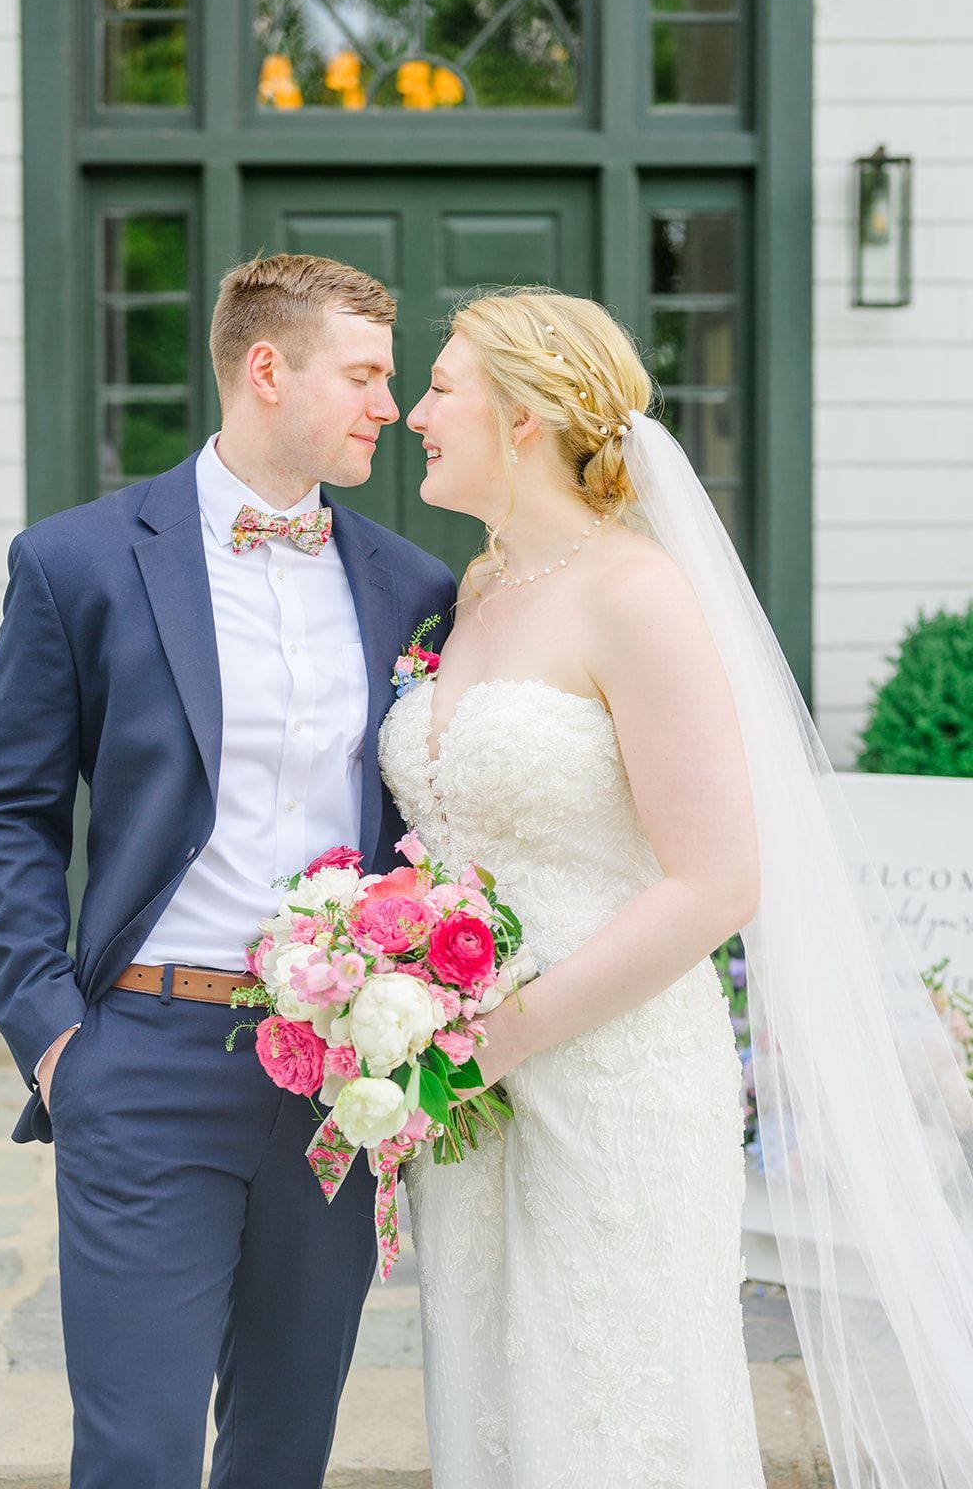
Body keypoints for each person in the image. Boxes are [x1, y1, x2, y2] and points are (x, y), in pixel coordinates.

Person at [378, 287, 973, 1488]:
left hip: (611, 1077)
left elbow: (715, 882)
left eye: (440, 387)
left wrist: (493, 1038)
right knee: (488, 1397)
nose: (412, 414)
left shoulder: (637, 591)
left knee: (608, 1407)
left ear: (527, 413)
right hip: (467, 1095)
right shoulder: (477, 588)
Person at [0, 254, 456, 1489]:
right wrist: (54, 1031)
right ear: (267, 368)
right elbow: (8, 809)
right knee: (136, 1450)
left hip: (340, 1074)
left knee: (286, 1445)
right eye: (364, 374)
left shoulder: (411, 585)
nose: (386, 406)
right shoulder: (76, 562)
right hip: (142, 1057)